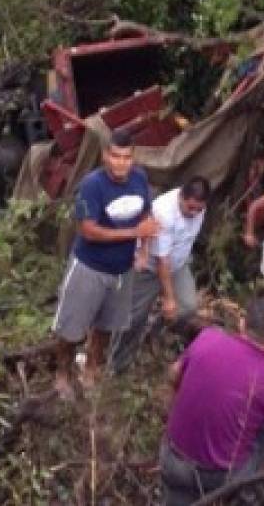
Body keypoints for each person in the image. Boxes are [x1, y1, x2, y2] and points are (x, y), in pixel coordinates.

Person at [160, 290, 264, 505]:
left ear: (242, 323)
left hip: (172, 459)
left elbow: (174, 373)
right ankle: (242, 494)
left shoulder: (208, 338)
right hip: (218, 477)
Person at [52, 128, 160, 398]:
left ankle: (90, 370)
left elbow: (146, 218)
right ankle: (62, 374)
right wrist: (133, 234)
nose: (121, 163)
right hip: (90, 267)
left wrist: (144, 250)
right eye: (115, 156)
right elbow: (87, 230)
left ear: (133, 158)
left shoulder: (140, 179)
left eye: (126, 157)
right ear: (105, 156)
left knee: (105, 327)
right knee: (70, 328)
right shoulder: (92, 185)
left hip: (122, 271)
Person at [111, 176, 211, 373]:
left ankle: (156, 329)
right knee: (132, 317)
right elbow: (161, 260)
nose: (195, 213)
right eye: (190, 208)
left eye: (199, 209)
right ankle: (117, 362)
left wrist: (171, 301)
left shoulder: (200, 208)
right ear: (181, 197)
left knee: (188, 307)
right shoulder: (163, 211)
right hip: (150, 267)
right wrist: (168, 298)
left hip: (178, 264)